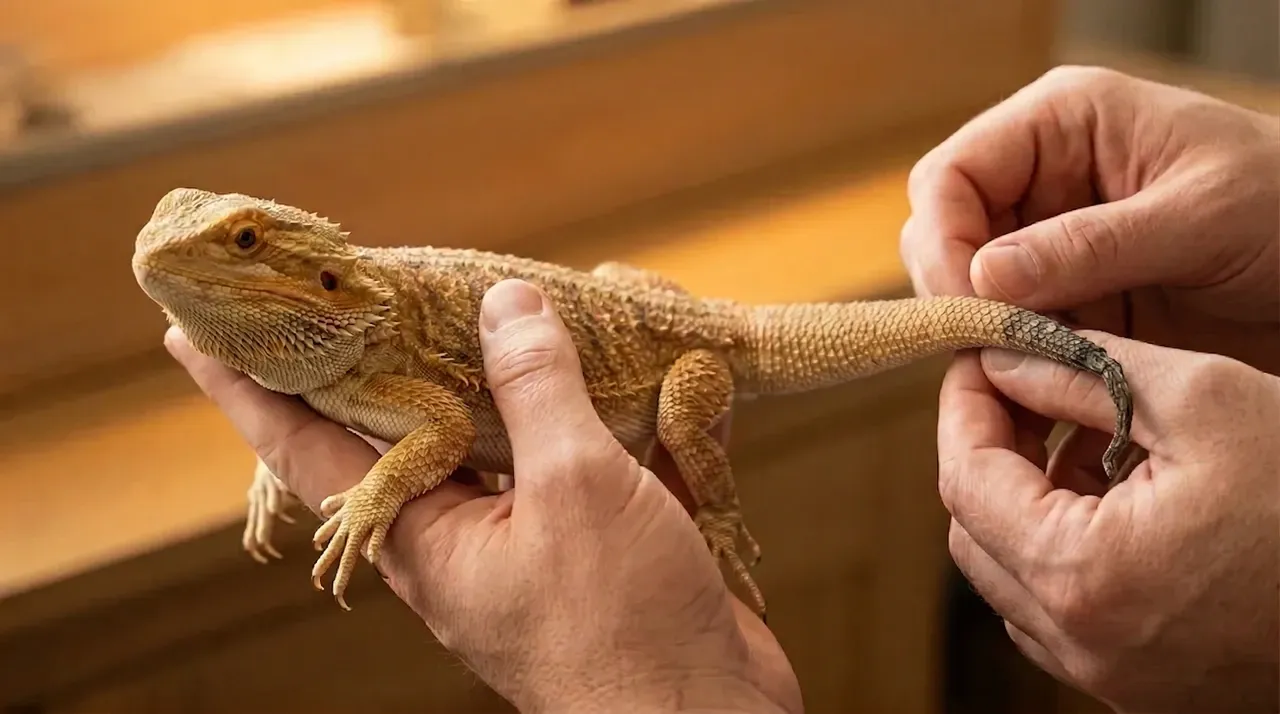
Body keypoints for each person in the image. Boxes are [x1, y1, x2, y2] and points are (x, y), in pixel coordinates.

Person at [165, 65, 1278, 713]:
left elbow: (447, 423)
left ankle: (723, 502)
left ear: (307, 268)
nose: (203, 262)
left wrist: (371, 498)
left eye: (243, 240)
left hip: (686, 351)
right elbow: (389, 411)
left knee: (690, 400)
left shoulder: (348, 322)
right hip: (630, 308)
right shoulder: (328, 338)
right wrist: (300, 466)